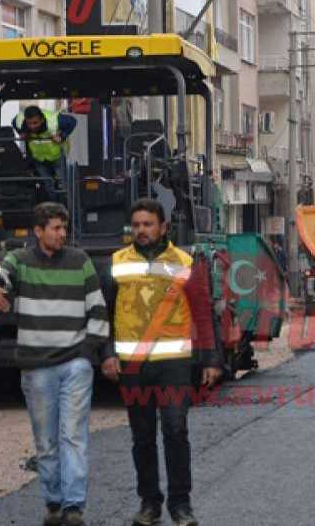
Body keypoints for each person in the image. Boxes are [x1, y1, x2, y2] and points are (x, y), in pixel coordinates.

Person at [0, 202, 116, 526]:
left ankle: (73, 507)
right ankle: (54, 502)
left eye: (63, 228)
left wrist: (87, 352)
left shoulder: (80, 261)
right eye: (55, 228)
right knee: (46, 440)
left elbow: (97, 310)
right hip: (37, 367)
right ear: (38, 232)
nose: (62, 234)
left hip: (74, 365)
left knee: (74, 434)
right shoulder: (21, 261)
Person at [110, 199, 221, 526]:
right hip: (133, 365)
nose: (141, 230)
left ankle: (180, 505)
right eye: (137, 225)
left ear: (163, 227)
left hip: (174, 364)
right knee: (142, 437)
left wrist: (211, 359)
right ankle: (149, 503)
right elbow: (104, 310)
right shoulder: (117, 262)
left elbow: (202, 311)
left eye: (148, 224)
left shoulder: (184, 262)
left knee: (175, 430)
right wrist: (106, 354)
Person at [13, 106, 76, 203]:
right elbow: (14, 122)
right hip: (39, 159)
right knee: (48, 185)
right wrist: (22, 133)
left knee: (62, 185)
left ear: (42, 120)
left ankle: (67, 208)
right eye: (29, 123)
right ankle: (53, 208)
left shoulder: (55, 121)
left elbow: (72, 121)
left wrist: (62, 136)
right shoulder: (19, 121)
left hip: (57, 157)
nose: (32, 126)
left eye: (35, 123)